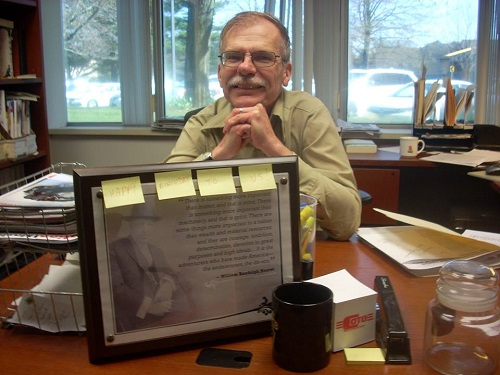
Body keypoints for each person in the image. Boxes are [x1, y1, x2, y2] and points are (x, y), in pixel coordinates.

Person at [164, 11, 360, 241]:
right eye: (234, 57)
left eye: (263, 57)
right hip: (217, 254)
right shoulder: (202, 121)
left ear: (286, 73)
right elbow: (162, 209)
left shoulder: (308, 114)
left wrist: (276, 150)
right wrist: (216, 158)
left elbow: (347, 221)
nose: (245, 68)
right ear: (220, 73)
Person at [108, 202, 194, 332]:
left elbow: (172, 274)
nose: (145, 229)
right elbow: (117, 289)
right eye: (140, 224)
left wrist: (167, 284)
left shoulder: (156, 251)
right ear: (131, 226)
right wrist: (149, 307)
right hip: (136, 317)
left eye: (149, 224)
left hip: (164, 311)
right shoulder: (116, 249)